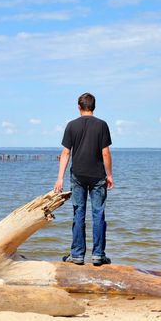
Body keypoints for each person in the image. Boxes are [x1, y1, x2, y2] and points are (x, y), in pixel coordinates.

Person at [54, 93, 114, 266]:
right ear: (94, 106)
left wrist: (60, 179)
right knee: (98, 214)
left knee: (78, 214)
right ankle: (98, 255)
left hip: (78, 175)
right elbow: (105, 153)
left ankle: (78, 255)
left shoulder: (71, 125)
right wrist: (109, 175)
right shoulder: (102, 125)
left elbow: (66, 153)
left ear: (79, 107)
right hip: (97, 176)